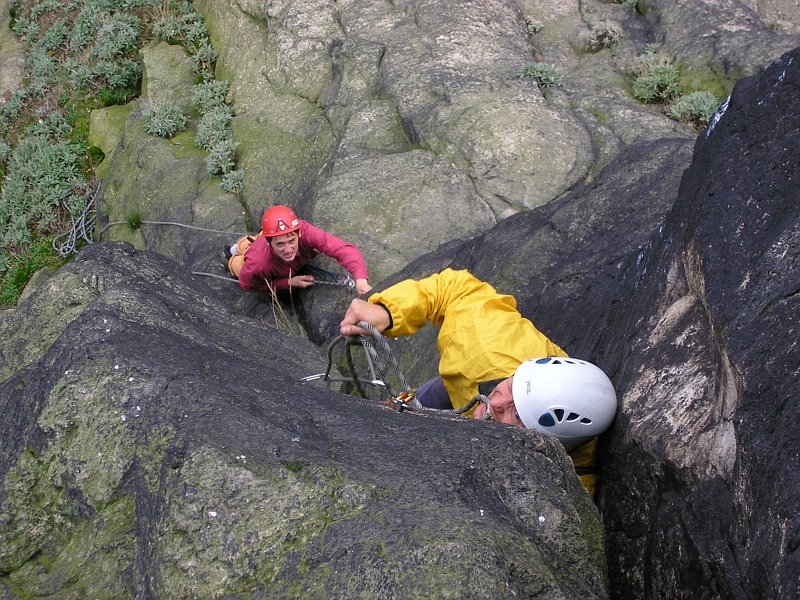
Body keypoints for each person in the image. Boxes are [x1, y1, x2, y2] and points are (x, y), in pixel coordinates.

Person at [339, 268, 617, 496]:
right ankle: (401, 407)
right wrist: (388, 312)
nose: (495, 402)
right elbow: (456, 289)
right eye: (512, 384)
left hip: (473, 389)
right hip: (467, 382)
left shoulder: (569, 485)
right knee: (418, 404)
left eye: (517, 413)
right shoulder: (490, 345)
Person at [227, 205, 372, 295]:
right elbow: (247, 285)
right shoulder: (257, 264)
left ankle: (244, 244)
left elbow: (342, 249)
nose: (288, 249)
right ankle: (234, 254)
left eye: (291, 241)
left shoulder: (305, 232)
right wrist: (288, 282)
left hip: (264, 240)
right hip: (255, 256)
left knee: (251, 242)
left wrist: (361, 280)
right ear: (269, 243)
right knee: (238, 263)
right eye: (280, 244)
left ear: (298, 234)